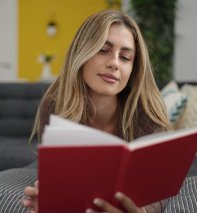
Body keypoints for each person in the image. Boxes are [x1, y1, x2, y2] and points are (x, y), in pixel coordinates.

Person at [21, 9, 172, 213]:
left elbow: (160, 186)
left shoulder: (146, 113)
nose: (114, 63)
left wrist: (143, 211)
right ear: (81, 53)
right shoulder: (55, 105)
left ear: (133, 69)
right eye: (103, 50)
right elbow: (59, 176)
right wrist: (50, 197)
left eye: (125, 57)